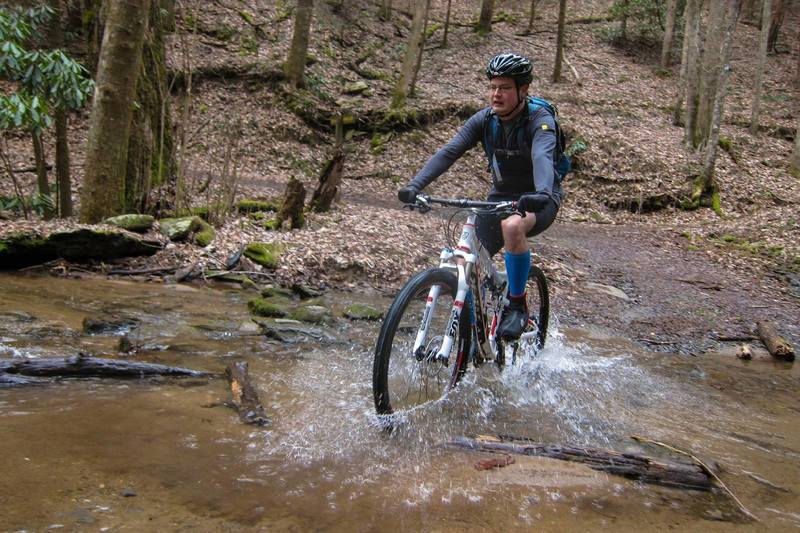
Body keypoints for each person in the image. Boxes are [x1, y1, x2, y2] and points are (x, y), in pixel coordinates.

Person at [398, 52, 563, 341]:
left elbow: (542, 156)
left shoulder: (540, 119)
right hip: (499, 197)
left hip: (539, 197)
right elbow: (450, 151)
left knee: (512, 226)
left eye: (505, 88)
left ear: (523, 90)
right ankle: (472, 336)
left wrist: (542, 193)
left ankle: (517, 305)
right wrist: (416, 185)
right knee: (463, 260)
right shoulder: (484, 120)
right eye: (493, 87)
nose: (496, 94)